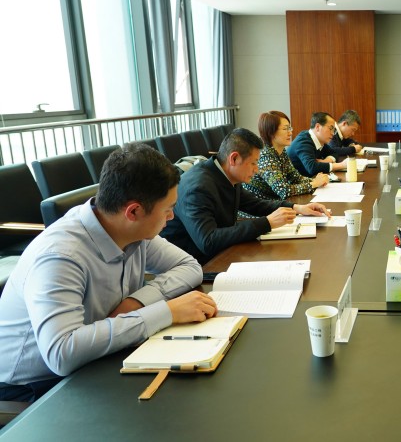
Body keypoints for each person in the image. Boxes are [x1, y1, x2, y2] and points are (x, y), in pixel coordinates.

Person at [0, 143, 216, 402]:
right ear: (133, 211)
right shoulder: (61, 255)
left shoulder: (133, 231)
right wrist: (166, 312)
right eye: (168, 209)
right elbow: (61, 353)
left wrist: (137, 302)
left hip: (93, 359)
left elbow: (189, 267)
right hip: (35, 387)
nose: (171, 217)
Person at [161, 128, 329, 264]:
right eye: (254, 163)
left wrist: (297, 208)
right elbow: (208, 241)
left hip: (219, 253)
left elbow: (254, 204)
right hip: (192, 264)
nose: (257, 169)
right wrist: (267, 222)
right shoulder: (198, 188)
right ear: (234, 158)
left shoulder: (225, 174)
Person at [243, 111, 328, 200]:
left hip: (276, 202)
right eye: (285, 129)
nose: (290, 133)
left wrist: (315, 180)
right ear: (271, 132)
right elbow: (284, 190)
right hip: (261, 206)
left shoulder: (281, 150)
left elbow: (295, 178)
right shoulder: (265, 155)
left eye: (289, 128)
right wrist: (314, 183)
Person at [286, 112, 347, 177]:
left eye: (334, 130)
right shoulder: (303, 142)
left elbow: (334, 153)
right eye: (330, 128)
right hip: (295, 182)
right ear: (317, 127)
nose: (333, 133)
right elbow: (312, 168)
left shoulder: (319, 141)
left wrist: (327, 160)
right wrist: (342, 165)